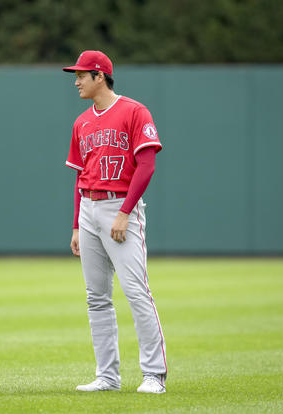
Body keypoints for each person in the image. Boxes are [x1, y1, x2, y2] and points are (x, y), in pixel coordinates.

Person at [63, 51, 167, 393]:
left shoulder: (134, 111)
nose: (76, 81)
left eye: (81, 75)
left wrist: (125, 212)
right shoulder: (81, 122)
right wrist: (77, 224)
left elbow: (147, 165)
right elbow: (80, 176)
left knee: (137, 292)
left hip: (121, 206)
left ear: (99, 76)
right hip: (90, 210)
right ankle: (107, 376)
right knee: (96, 297)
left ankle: (154, 375)